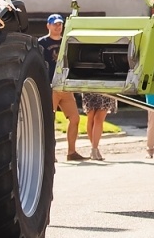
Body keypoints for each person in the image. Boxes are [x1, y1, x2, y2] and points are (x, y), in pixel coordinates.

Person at [40, 14, 81, 154]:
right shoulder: (42, 43)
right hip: (50, 87)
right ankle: (49, 154)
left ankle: (71, 152)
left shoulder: (67, 42)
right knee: (49, 121)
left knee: (75, 118)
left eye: (60, 24)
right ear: (48, 25)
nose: (58, 27)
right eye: (55, 24)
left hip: (65, 86)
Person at [79, 91, 114, 162]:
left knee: (98, 118)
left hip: (106, 87)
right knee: (90, 118)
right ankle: (95, 149)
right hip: (89, 86)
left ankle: (94, 149)